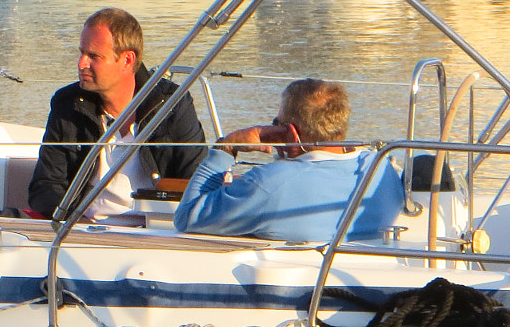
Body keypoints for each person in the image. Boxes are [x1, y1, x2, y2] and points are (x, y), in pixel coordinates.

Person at [27, 8, 207, 221]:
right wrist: (73, 223)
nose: (81, 63)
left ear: (127, 60)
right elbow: (45, 187)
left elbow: (197, 182)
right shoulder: (68, 104)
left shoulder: (172, 104)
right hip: (82, 231)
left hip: (156, 232)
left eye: (93, 56)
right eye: (81, 53)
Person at [173, 78, 404, 243]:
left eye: (277, 123)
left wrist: (227, 146)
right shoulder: (381, 168)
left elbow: (186, 217)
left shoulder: (270, 183)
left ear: (292, 134)